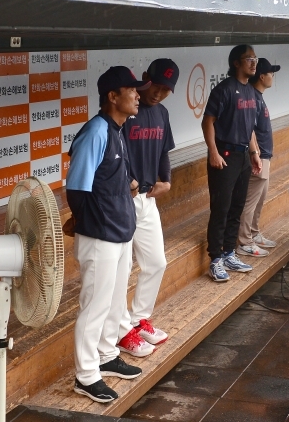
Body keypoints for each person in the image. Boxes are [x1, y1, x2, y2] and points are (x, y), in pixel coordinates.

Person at [66, 66, 149, 403]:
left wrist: (126, 186)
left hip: (119, 232)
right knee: (95, 306)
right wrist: (90, 225)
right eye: (132, 90)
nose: (138, 95)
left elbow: (109, 177)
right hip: (100, 235)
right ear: (113, 97)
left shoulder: (117, 130)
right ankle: (85, 376)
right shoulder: (96, 131)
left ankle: (105, 355)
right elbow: (77, 189)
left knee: (114, 302)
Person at [116, 59, 178, 358]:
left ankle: (138, 319)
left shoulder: (162, 113)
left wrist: (166, 180)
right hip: (122, 198)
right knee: (121, 268)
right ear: (145, 79)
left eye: (166, 89)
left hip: (147, 199)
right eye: (156, 85)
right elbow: (116, 154)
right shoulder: (128, 111)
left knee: (156, 262)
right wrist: (127, 180)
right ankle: (120, 330)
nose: (159, 93)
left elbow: (163, 150)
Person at [202, 45, 263, 282]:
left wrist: (254, 153)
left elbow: (249, 128)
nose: (253, 63)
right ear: (236, 63)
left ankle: (229, 253)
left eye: (255, 59)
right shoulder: (224, 90)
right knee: (221, 208)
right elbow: (208, 123)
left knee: (237, 207)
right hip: (224, 156)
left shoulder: (251, 92)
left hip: (243, 156)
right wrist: (213, 152)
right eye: (249, 59)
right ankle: (215, 259)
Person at [237, 58, 280, 258]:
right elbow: (248, 130)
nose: (273, 77)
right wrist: (255, 154)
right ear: (262, 76)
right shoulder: (252, 98)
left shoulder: (258, 96)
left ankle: (253, 234)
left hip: (264, 156)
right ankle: (244, 241)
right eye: (271, 73)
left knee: (260, 199)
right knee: (250, 201)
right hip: (257, 157)